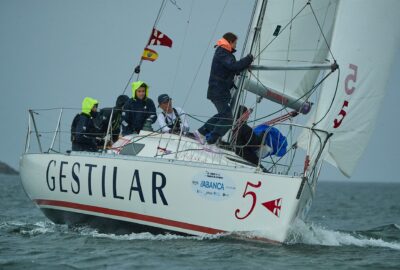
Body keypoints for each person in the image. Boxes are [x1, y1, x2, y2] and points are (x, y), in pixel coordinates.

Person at [195, 32, 253, 145]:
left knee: (223, 115)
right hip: (218, 90)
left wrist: (244, 66)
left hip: (220, 91)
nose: (236, 45)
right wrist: (249, 59)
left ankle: (201, 133)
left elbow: (232, 69)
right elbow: (233, 66)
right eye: (235, 42)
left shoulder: (225, 53)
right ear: (230, 42)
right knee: (228, 119)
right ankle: (210, 140)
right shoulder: (222, 52)